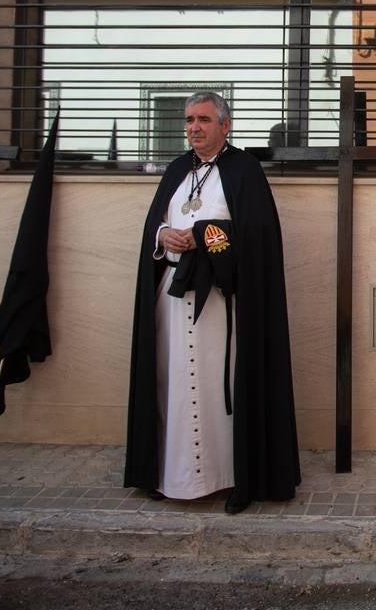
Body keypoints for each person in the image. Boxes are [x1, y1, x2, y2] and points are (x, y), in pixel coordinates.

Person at [124, 92, 299, 513]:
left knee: (218, 388)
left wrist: (206, 236)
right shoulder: (176, 169)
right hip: (172, 295)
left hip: (222, 303)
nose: (193, 127)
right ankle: (170, 476)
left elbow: (257, 238)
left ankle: (230, 477)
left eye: (203, 119)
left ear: (225, 124)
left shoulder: (245, 170)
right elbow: (156, 223)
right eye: (188, 120)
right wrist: (163, 235)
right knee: (173, 385)